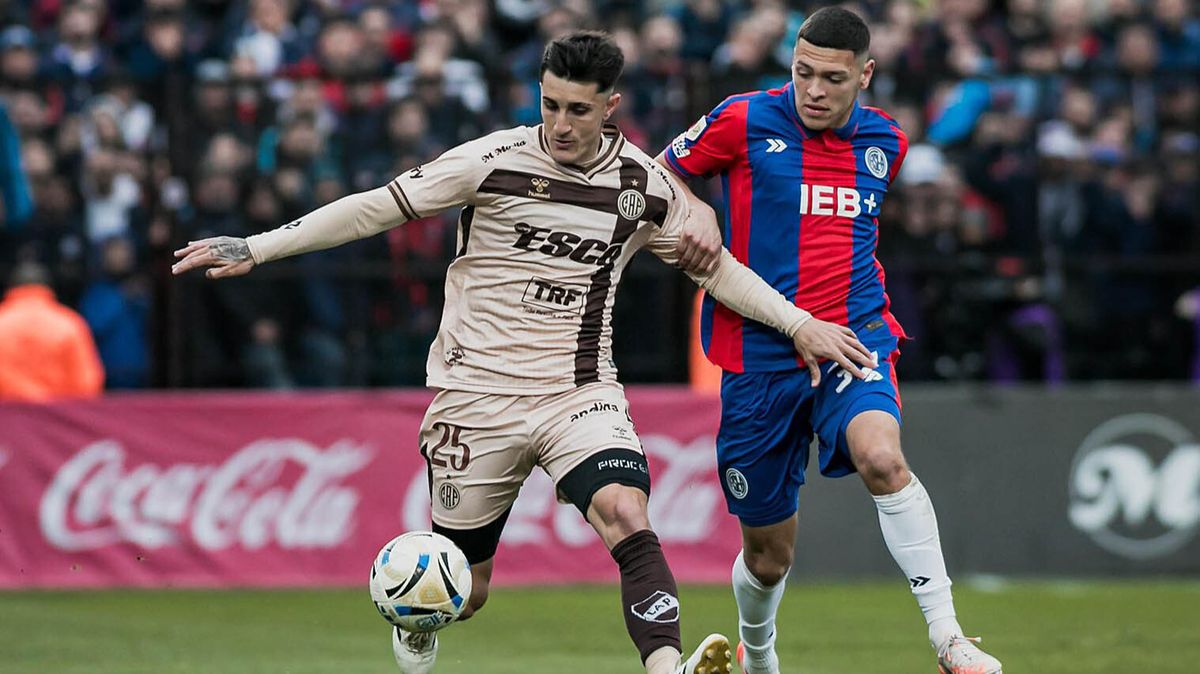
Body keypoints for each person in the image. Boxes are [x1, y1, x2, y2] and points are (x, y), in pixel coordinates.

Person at [172, 31, 874, 674]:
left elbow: (717, 269)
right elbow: (373, 208)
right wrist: (258, 247)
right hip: (476, 398)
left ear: (611, 107)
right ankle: (420, 620)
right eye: (550, 106)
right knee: (466, 590)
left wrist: (799, 324)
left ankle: (667, 667)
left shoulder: (641, 186)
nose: (561, 125)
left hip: (579, 391)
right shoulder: (492, 161)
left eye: (577, 110)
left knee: (627, 513)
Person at [658, 8, 1002, 674]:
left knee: (882, 457)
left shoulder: (886, 142)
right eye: (803, 73)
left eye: (832, 79)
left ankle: (949, 639)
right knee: (768, 555)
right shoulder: (743, 119)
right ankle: (759, 653)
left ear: (865, 76)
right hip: (758, 357)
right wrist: (697, 204)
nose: (814, 90)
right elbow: (659, 173)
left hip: (855, 337)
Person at [0, 261, 104, 401]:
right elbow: (87, 382)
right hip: (56, 416)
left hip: (7, 416)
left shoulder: (3, 320)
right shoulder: (69, 323)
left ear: (10, 288)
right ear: (49, 288)